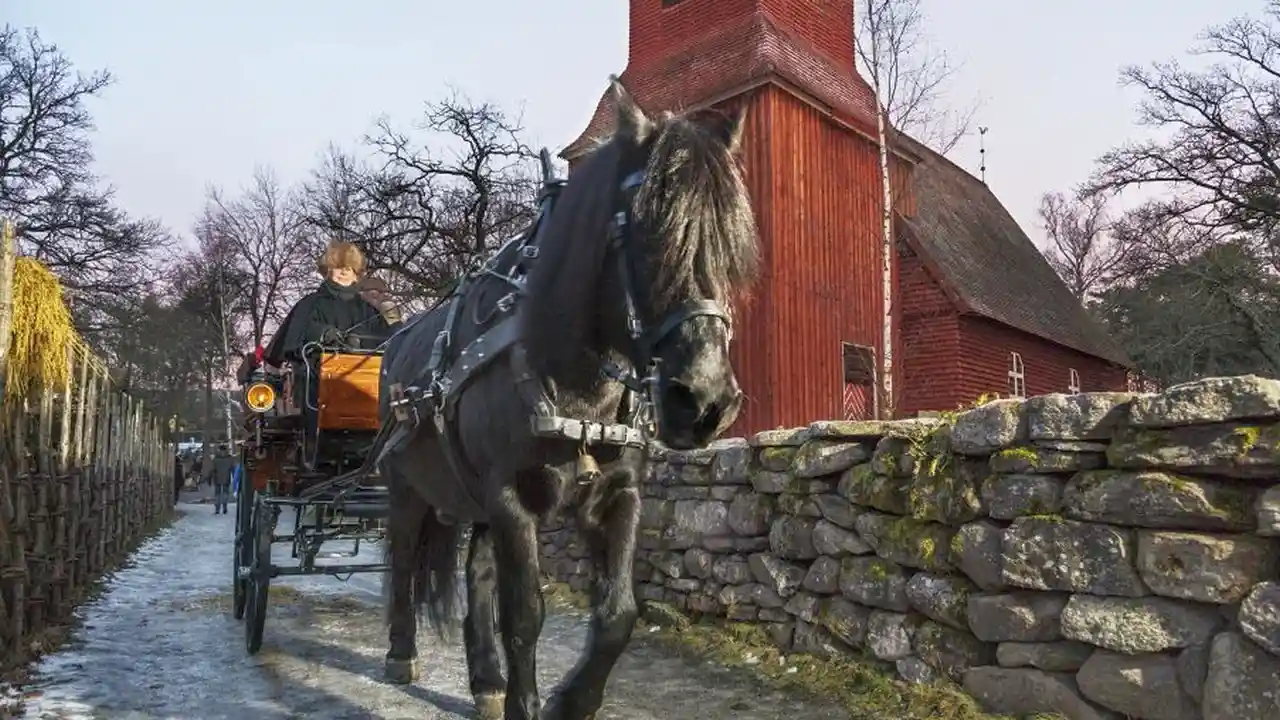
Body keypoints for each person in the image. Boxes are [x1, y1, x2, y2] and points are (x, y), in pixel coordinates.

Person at [261, 240, 394, 466]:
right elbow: (294, 337)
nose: (343, 273)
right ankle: (317, 451)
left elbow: (388, 342)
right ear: (327, 271)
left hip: (366, 388)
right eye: (337, 268)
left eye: (348, 268)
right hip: (318, 382)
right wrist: (323, 334)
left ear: (356, 274)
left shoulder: (369, 312)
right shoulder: (310, 304)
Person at [210, 444, 236, 515]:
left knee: (217, 494)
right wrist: (234, 477)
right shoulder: (229, 459)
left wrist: (210, 477)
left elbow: (212, 469)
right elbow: (233, 468)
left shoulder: (216, 459)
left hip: (217, 478)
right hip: (226, 477)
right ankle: (225, 508)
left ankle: (217, 509)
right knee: (225, 493)